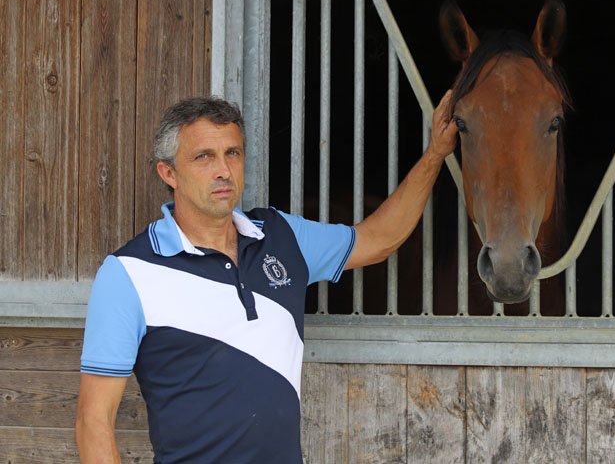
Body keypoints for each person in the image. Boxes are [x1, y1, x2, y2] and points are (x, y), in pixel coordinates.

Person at [75, 92, 457, 463]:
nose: (223, 170)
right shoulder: (129, 273)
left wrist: (435, 154)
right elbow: (94, 422)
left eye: (233, 153)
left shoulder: (281, 237)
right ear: (169, 173)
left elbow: (378, 240)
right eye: (203, 157)